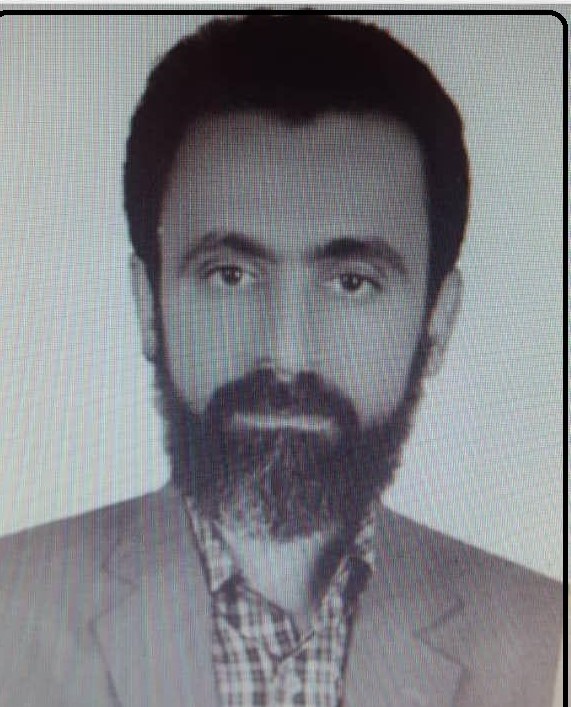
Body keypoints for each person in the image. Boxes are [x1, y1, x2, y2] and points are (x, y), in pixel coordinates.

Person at [0, 14, 562, 707]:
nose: (287, 353)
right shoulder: (10, 609)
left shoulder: (543, 634)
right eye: (230, 275)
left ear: (436, 322)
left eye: (352, 282)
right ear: (149, 306)